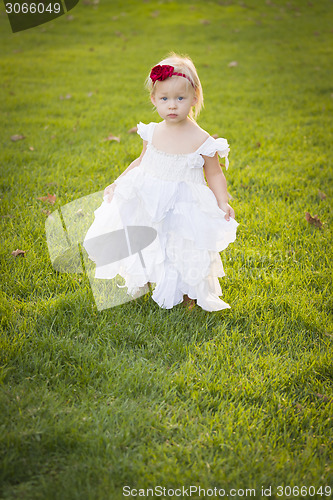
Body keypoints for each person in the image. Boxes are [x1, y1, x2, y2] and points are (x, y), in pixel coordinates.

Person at [83, 52, 239, 312]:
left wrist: (222, 202)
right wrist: (118, 182)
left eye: (180, 98)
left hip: (184, 203)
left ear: (194, 99)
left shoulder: (202, 140)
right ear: (154, 99)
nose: (172, 105)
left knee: (183, 243)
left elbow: (214, 173)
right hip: (150, 195)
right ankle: (143, 277)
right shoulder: (152, 131)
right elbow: (141, 161)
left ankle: (189, 289)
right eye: (164, 99)